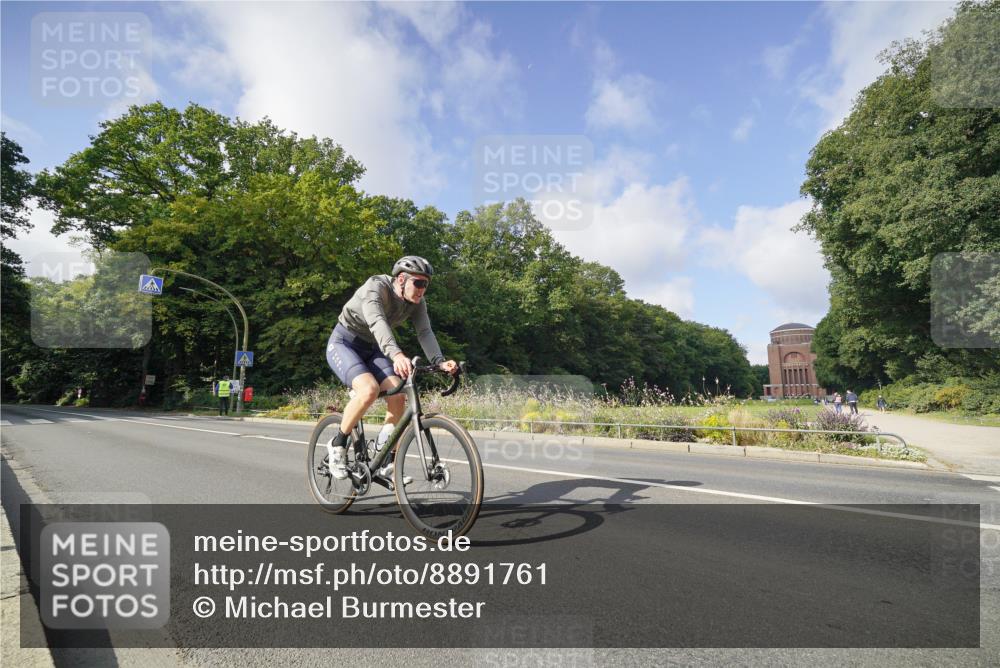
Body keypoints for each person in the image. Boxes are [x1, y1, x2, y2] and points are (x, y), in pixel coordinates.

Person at [325, 256, 458, 483]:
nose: (422, 290)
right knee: (369, 390)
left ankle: (385, 457)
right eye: (418, 283)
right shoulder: (375, 288)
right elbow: (377, 322)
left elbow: (425, 332)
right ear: (401, 279)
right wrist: (396, 354)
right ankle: (337, 445)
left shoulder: (417, 303)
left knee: (398, 394)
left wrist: (439, 361)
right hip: (344, 343)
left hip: (373, 348)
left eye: (426, 285)